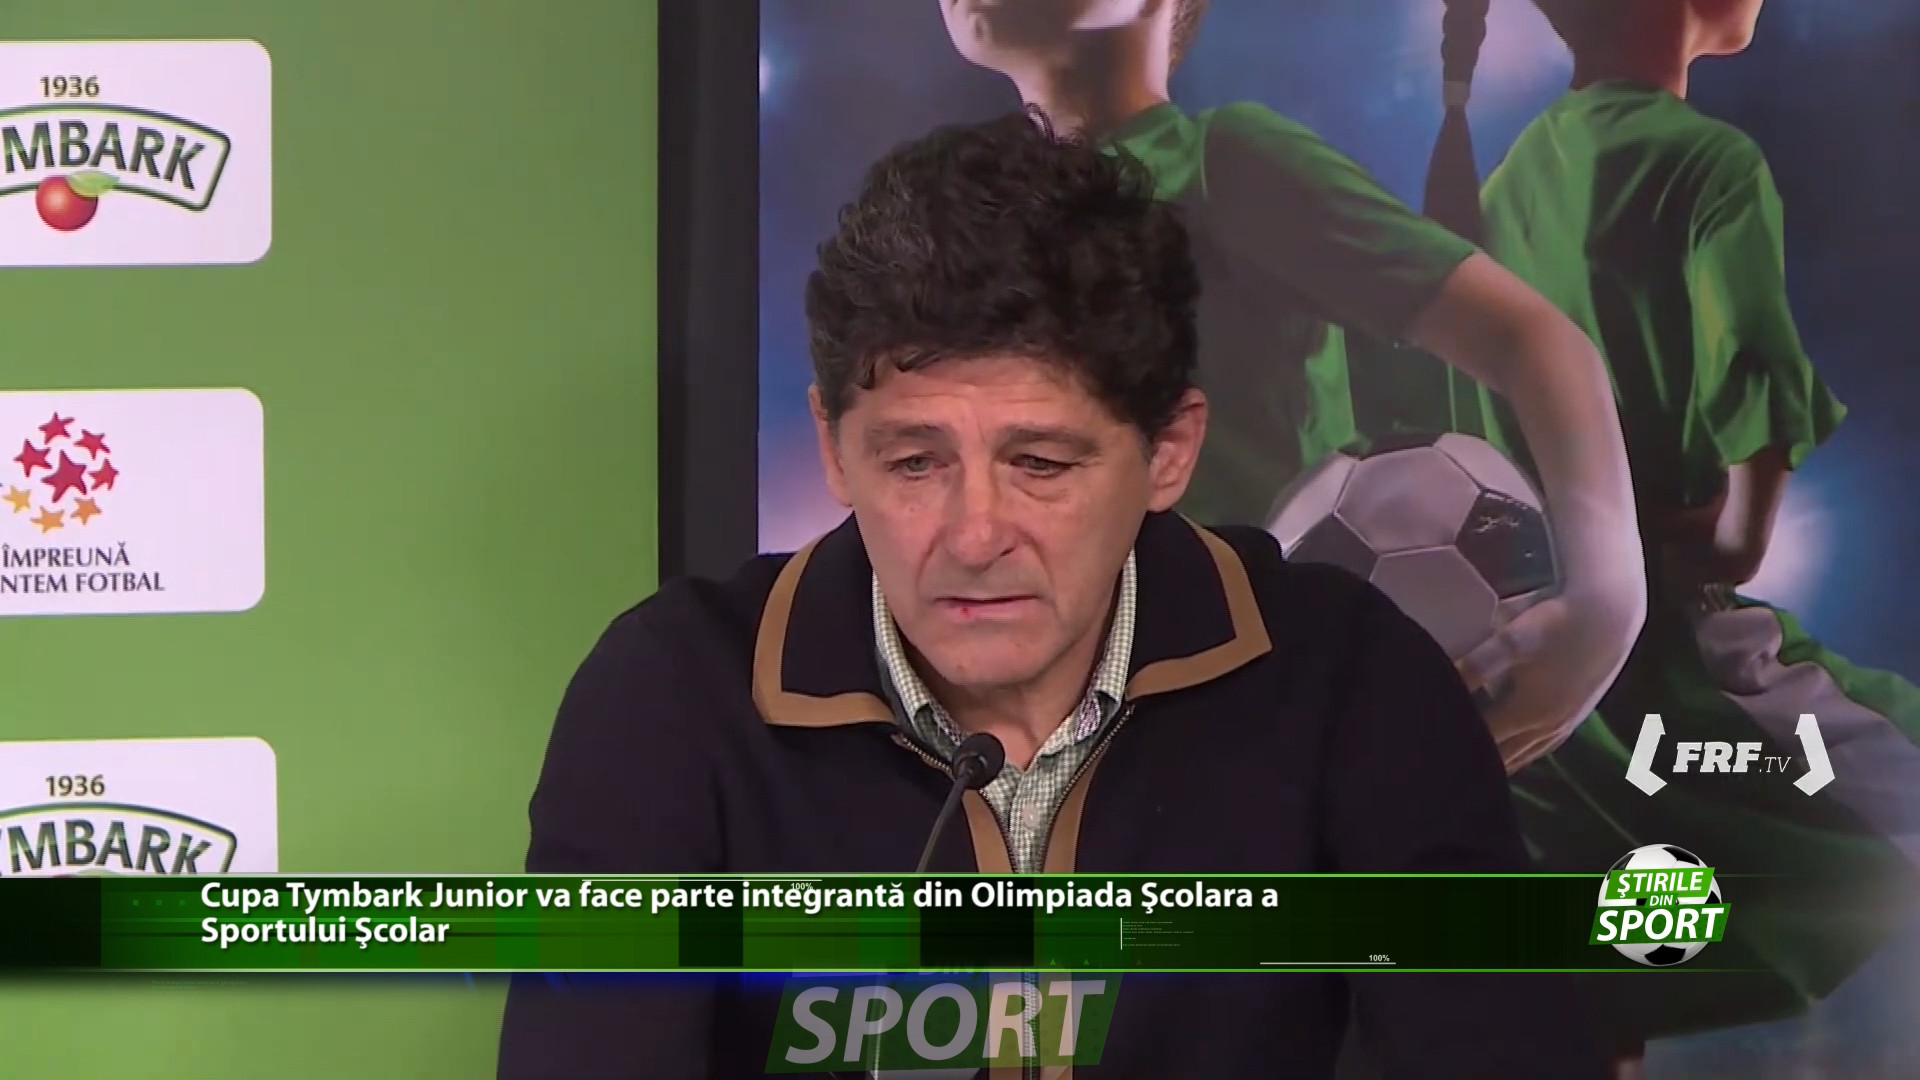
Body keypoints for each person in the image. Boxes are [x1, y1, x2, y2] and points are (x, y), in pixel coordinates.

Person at [497, 112, 1610, 1078]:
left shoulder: (1353, 683)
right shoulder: (672, 698)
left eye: (1040, 463)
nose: (975, 536)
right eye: (914, 462)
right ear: (834, 451)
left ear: (1168, 453)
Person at [934, 0, 1647, 775]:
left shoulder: (1223, 164)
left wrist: (1607, 603)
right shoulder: (974, 227)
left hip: (1262, 723)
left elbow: (1528, 339)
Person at [1424, 0, 1920, 1072]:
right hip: (1668, 654)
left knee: (1598, 997)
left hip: (1547, 683)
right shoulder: (1708, 163)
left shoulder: (1509, 179)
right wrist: (1723, 539)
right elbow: (1749, 420)